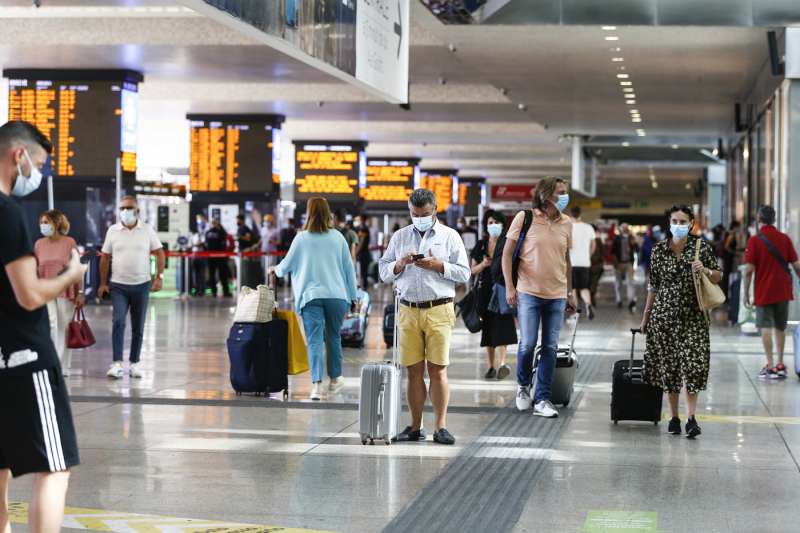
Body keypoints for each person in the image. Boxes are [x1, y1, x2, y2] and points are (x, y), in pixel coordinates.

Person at [0, 120, 87, 533]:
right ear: (18, 155)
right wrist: (71, 276)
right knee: (54, 468)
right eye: (36, 163)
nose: (35, 174)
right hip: (25, 358)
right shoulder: (8, 213)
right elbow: (29, 294)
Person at [379, 188, 470, 445]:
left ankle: (440, 427)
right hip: (408, 309)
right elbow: (384, 271)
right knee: (413, 371)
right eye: (415, 214)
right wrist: (399, 264)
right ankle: (414, 426)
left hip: (439, 308)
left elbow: (464, 273)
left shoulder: (450, 237)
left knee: (438, 370)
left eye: (425, 214)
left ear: (435, 211)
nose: (419, 218)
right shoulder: (400, 237)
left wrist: (439, 265)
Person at [639, 205, 721, 438]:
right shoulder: (658, 250)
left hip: (694, 317)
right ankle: (674, 417)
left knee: (693, 366)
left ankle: (691, 418)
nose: (678, 224)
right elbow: (653, 286)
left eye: (683, 221)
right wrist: (646, 315)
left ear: (691, 223)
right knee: (671, 369)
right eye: (674, 220)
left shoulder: (701, 247)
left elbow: (719, 275)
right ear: (669, 222)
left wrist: (704, 270)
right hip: (664, 319)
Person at [503, 177, 577, 419]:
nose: (565, 197)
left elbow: (566, 260)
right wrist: (509, 287)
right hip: (528, 292)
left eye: (566, 192)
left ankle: (542, 398)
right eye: (560, 192)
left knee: (550, 347)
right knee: (527, 343)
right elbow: (507, 255)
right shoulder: (525, 218)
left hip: (557, 294)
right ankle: (523, 386)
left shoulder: (567, 223)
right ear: (546, 195)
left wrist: (570, 292)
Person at [270, 198, 357, 401]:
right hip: (337, 296)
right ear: (329, 213)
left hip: (311, 297)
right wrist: (353, 296)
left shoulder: (302, 238)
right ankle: (335, 379)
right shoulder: (338, 238)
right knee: (334, 337)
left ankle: (317, 385)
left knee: (315, 341)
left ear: (308, 213)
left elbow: (286, 266)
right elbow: (348, 270)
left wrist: (275, 269)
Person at [98, 196, 165, 379]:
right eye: (122, 208)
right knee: (118, 322)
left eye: (129, 208)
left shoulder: (147, 230)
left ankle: (134, 363)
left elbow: (160, 252)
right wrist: (103, 283)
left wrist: (159, 277)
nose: (125, 211)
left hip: (141, 285)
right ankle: (117, 363)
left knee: (139, 327)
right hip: (118, 285)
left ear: (137, 211)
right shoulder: (113, 231)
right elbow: (104, 257)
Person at [743, 205, 800, 379]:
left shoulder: (754, 241)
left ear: (758, 220)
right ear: (774, 220)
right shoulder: (784, 239)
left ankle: (770, 365)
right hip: (783, 290)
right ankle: (781, 364)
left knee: (765, 326)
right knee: (780, 327)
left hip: (764, 291)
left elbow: (748, 270)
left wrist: (745, 293)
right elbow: (797, 265)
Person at [34, 209, 84, 377]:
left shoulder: (69, 242)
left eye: (46, 222)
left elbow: (77, 268)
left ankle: (63, 365)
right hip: (46, 290)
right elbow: (35, 269)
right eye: (41, 222)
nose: (43, 226)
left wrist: (81, 292)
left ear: (56, 223)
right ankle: (52, 362)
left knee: (64, 326)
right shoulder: (39, 244)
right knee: (52, 324)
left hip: (66, 290)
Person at [470, 210, 517, 379]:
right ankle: (491, 367)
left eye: (496, 223)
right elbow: (472, 270)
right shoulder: (481, 245)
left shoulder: (507, 243)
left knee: (502, 325)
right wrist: (483, 264)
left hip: (502, 289)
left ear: (503, 225)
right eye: (490, 223)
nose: (493, 226)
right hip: (484, 291)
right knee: (488, 329)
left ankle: (502, 363)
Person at [569, 207, 596, 319]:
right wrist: (588, 256)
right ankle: (588, 305)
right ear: (580, 215)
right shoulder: (588, 227)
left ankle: (576, 313)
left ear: (571, 216)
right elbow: (593, 245)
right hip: (585, 262)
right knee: (584, 288)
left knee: (573, 289)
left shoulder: (568, 227)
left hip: (571, 262)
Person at [612, 223, 639, 312]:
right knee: (618, 283)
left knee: (630, 282)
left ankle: (631, 300)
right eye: (623, 228)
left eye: (626, 228)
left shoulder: (631, 238)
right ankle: (619, 300)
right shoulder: (617, 238)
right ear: (620, 229)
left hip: (629, 263)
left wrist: (634, 244)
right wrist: (615, 264)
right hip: (618, 263)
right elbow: (613, 252)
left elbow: (637, 250)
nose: (625, 229)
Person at [205, 218, 232, 297]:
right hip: (214, 257)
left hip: (219, 257)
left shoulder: (218, 232)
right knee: (213, 275)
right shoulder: (211, 232)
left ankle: (224, 291)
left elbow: (225, 237)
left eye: (215, 223)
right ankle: (215, 292)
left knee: (222, 275)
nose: (214, 224)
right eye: (213, 223)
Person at [236, 213, 263, 289]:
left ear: (242, 220)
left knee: (246, 270)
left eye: (238, 220)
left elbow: (248, 238)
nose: (237, 221)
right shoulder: (241, 228)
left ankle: (247, 285)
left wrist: (239, 237)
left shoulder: (244, 228)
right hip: (244, 252)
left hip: (247, 252)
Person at [191, 214, 207, 297]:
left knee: (201, 275)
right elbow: (191, 245)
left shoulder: (203, 234)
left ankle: (201, 290)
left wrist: (197, 244)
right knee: (195, 274)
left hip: (201, 256)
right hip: (194, 256)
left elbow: (203, 243)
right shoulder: (193, 235)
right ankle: (196, 290)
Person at [589, 227, 605, 307]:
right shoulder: (598, 240)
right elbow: (603, 252)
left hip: (588, 265)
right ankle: (591, 297)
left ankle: (589, 298)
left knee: (589, 283)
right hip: (596, 265)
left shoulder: (586, 239)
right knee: (594, 283)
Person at [356, 220, 372, 289]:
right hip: (365, 254)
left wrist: (355, 252)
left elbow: (361, 243)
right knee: (363, 273)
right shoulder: (365, 229)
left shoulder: (364, 230)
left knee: (363, 273)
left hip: (363, 254)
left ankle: (363, 288)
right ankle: (364, 287)